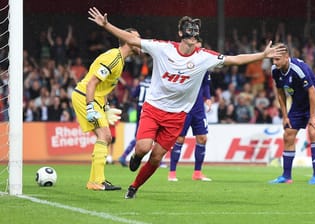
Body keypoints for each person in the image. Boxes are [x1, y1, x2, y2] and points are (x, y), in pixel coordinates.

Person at [88, 7, 285, 199]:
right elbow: (132, 39)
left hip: (177, 116)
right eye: (189, 33)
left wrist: (262, 55)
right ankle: (136, 157)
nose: (192, 38)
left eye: (195, 35)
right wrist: (107, 25)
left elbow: (235, 59)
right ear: (181, 33)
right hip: (153, 108)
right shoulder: (163, 48)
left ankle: (134, 186)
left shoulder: (204, 57)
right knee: (143, 148)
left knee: (156, 157)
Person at [71, 26, 141, 191]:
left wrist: (105, 107)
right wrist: (90, 107)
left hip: (94, 99)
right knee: (105, 135)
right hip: (85, 96)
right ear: (128, 41)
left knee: (105, 136)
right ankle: (96, 181)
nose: (140, 42)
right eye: (137, 38)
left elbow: (103, 87)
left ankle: (96, 180)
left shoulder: (120, 60)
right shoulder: (113, 58)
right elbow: (92, 83)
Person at [269, 43, 315, 185]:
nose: (274, 63)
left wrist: (313, 116)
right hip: (298, 103)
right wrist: (285, 116)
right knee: (288, 134)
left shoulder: (298, 69)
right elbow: (281, 93)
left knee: (313, 132)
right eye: (273, 60)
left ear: (286, 57)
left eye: (277, 59)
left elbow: (312, 91)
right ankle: (286, 176)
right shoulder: (275, 71)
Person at [168, 69, 212, 182]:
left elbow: (206, 84)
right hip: (183, 107)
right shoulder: (182, 65)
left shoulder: (204, 65)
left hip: (198, 109)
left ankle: (197, 173)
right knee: (179, 139)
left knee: (202, 138)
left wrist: (207, 98)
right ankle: (172, 173)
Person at [118, 74, 151, 167]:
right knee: (151, 136)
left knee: (139, 136)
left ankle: (124, 156)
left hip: (139, 110)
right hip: (150, 111)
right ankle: (159, 161)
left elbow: (133, 95)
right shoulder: (155, 84)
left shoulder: (141, 84)